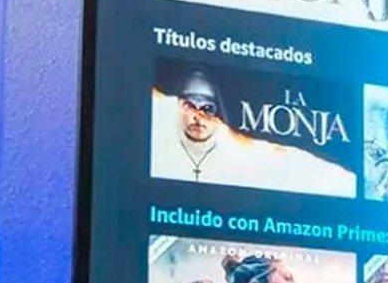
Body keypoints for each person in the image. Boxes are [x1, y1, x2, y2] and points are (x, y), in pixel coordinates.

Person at [150, 68, 356, 196]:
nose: (198, 116)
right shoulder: (160, 127)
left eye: (207, 108)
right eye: (190, 106)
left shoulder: (240, 152)